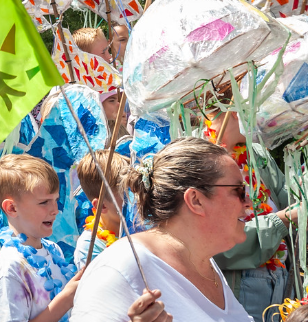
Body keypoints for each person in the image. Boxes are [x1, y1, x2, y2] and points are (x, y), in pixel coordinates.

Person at [72, 137, 254, 322]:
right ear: (195, 200)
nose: (248, 202)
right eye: (238, 191)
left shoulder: (202, 262)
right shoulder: (120, 267)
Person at [209, 112, 298, 321]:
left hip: (281, 280)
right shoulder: (203, 159)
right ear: (235, 110)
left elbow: (290, 200)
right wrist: (282, 219)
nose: (266, 116)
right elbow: (219, 246)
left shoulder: (257, 153)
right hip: (238, 286)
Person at [0, 154, 82, 322]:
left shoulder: (53, 249)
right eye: (44, 202)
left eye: (56, 200)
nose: (54, 210)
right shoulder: (10, 267)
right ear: (12, 208)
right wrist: (64, 300)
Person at [73, 150, 130, 269]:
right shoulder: (89, 247)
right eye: (127, 194)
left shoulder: (140, 224)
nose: (136, 198)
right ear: (102, 206)